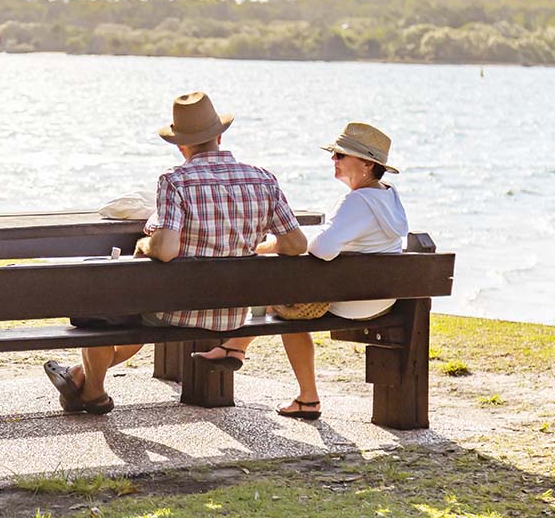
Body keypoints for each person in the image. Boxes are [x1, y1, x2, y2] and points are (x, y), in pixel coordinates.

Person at [42, 91, 308, 414]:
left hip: (177, 312)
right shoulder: (264, 180)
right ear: (220, 137)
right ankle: (78, 378)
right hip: (233, 314)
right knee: (123, 311)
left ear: (181, 146)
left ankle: (92, 391)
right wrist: (254, 247)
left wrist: (143, 245)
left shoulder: (176, 181)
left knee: (100, 301)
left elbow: (166, 250)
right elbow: (297, 245)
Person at [193, 122, 408, 421]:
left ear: (367, 164)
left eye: (341, 155)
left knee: (287, 299)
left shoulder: (357, 201)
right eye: (334, 153)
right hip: (384, 297)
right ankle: (240, 353)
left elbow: (323, 248)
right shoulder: (387, 197)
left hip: (353, 301)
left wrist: (265, 246)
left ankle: (245, 355)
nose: (333, 159)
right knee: (286, 295)